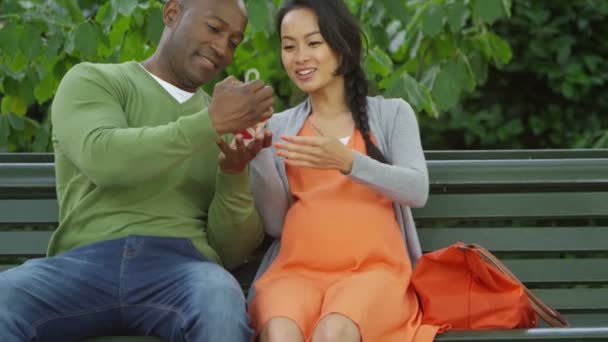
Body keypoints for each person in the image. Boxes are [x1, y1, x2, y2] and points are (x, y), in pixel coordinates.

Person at [0, 0, 274, 340]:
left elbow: (230, 252)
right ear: (172, 13)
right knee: (4, 297)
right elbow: (104, 159)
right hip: (82, 266)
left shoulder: (224, 124)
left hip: (182, 269)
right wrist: (210, 123)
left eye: (234, 41)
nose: (222, 48)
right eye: (214, 29)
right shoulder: (94, 80)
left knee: (220, 297)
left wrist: (234, 174)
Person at [247, 0, 440, 341]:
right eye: (289, 46)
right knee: (278, 333)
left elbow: (416, 189)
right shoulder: (280, 126)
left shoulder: (392, 114)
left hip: (373, 274)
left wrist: (347, 161)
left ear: (342, 46)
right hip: (295, 274)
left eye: (313, 43)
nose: (299, 56)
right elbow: (276, 223)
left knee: (334, 333)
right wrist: (258, 153)